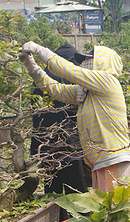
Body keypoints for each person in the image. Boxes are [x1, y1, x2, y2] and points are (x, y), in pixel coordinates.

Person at [18, 42, 130, 192]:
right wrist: (33, 68)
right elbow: (57, 90)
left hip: (114, 160)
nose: (84, 63)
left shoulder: (107, 81)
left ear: (103, 62)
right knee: (105, 210)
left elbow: (69, 71)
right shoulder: (86, 93)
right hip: (101, 161)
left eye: (88, 59)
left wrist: (40, 51)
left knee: (116, 211)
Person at [30, 43, 89, 201]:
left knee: (52, 189)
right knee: (77, 192)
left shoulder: (41, 78)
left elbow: (35, 114)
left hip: (47, 144)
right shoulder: (75, 77)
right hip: (70, 143)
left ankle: (56, 221)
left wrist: (35, 149)